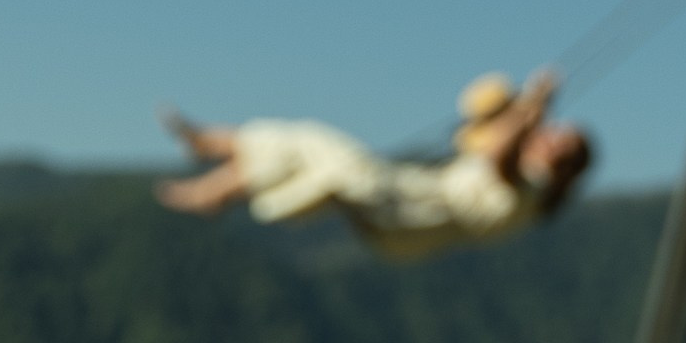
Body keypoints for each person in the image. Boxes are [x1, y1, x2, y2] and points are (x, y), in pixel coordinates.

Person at [155, 71, 593, 259]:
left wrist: (532, 107)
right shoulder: (533, 197)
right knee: (305, 151)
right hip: (402, 219)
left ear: (563, 162)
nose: (548, 135)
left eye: (559, 138)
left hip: (405, 208)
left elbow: (502, 158)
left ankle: (211, 170)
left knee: (316, 149)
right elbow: (489, 137)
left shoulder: (534, 186)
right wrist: (522, 109)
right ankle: (212, 165)